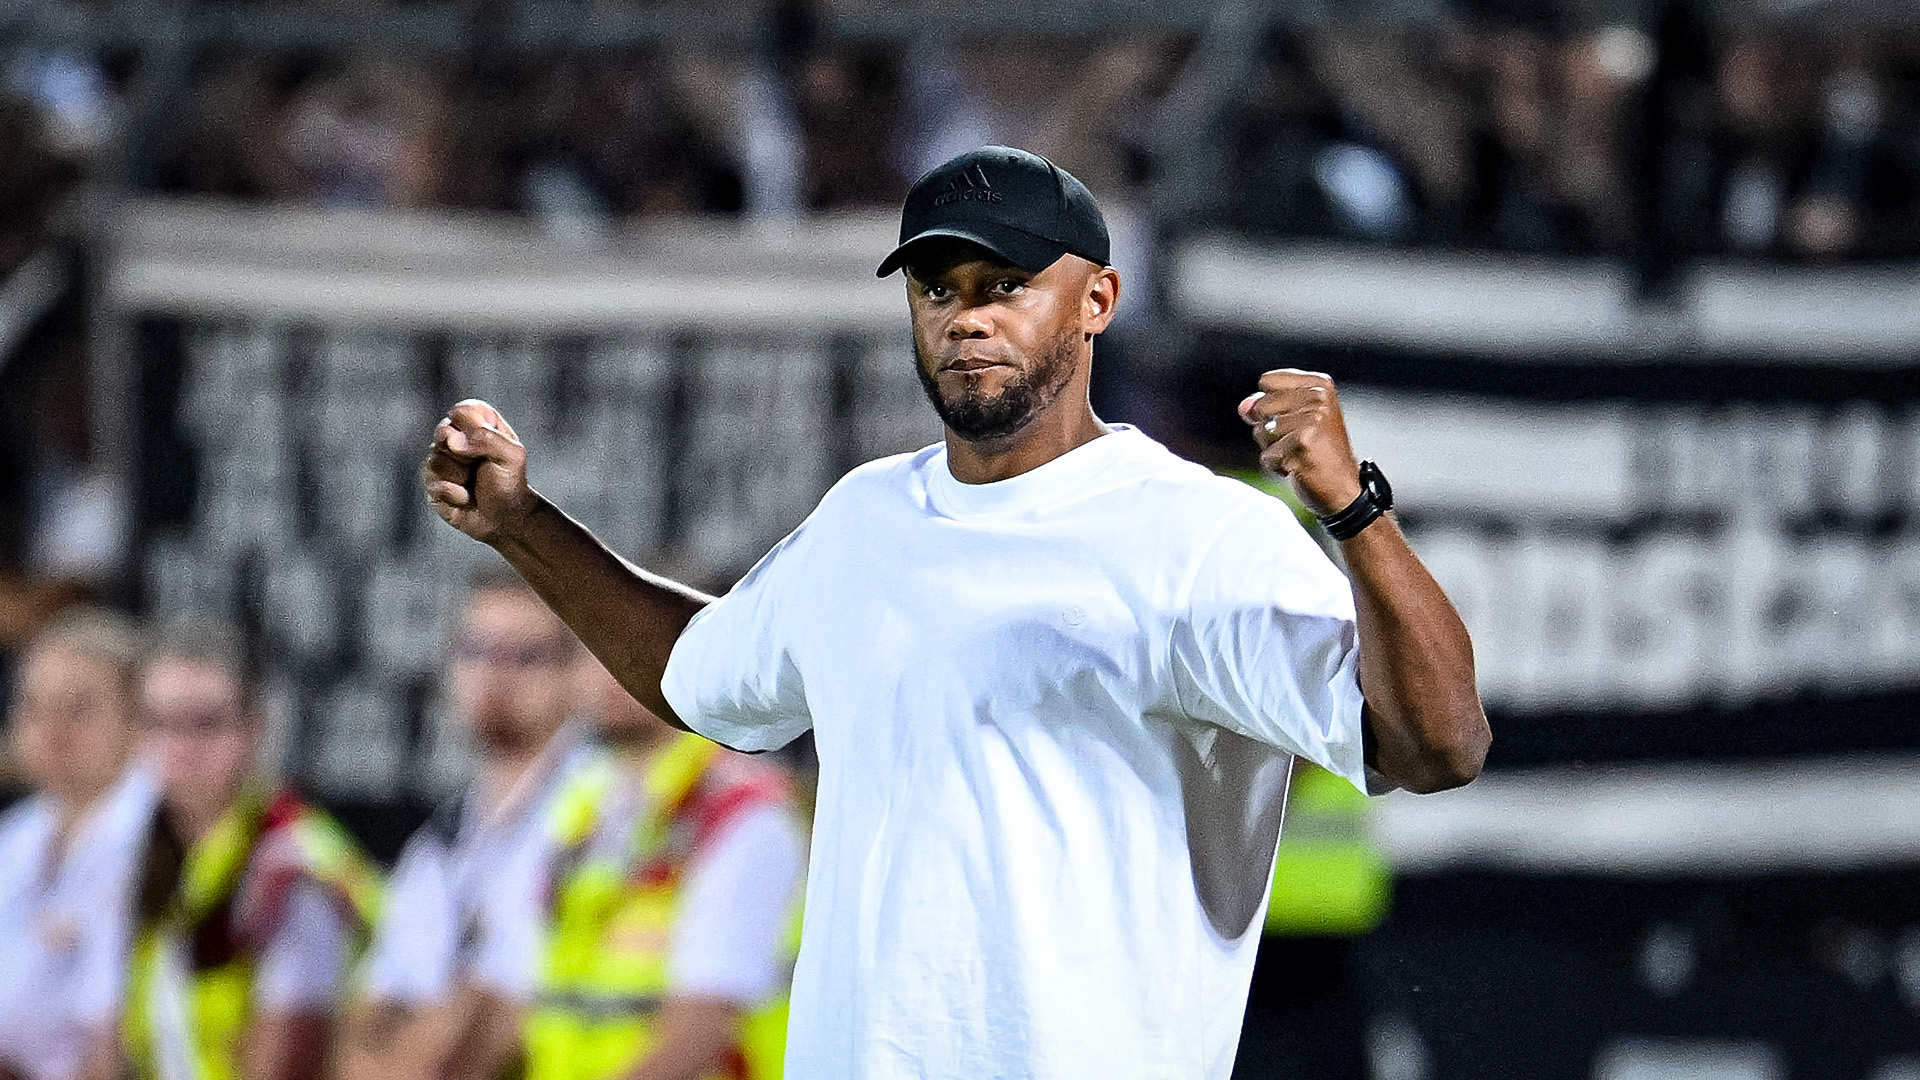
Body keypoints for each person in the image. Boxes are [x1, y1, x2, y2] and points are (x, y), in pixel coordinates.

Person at [421, 144, 1489, 1079]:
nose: (966, 316)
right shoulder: (863, 519)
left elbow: (1440, 746)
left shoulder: (1200, 537)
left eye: (1006, 283)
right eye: (938, 289)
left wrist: (1355, 509)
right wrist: (523, 524)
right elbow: (697, 675)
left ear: (1098, 301)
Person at [339, 567, 592, 1080]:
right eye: (475, 650)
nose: (494, 673)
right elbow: (365, 1023)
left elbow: (492, 1028)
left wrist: (415, 1039)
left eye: (524, 656)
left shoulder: (601, 811)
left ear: (576, 671)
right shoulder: (440, 839)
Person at [524, 654, 804, 1080]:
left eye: (627, 639)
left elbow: (701, 1031)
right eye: (590, 646)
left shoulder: (743, 813)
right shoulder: (579, 805)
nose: (608, 665)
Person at [122, 624, 382, 1080]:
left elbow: (291, 1061)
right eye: (159, 723)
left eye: (205, 723)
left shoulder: (292, 861)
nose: (180, 747)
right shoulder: (154, 852)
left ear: (254, 727)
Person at [0, 609, 157, 1080]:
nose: (52, 727)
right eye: (34, 706)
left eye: (80, 708)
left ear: (138, 720)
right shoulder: (18, 832)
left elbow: (113, 1040)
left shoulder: (158, 836)